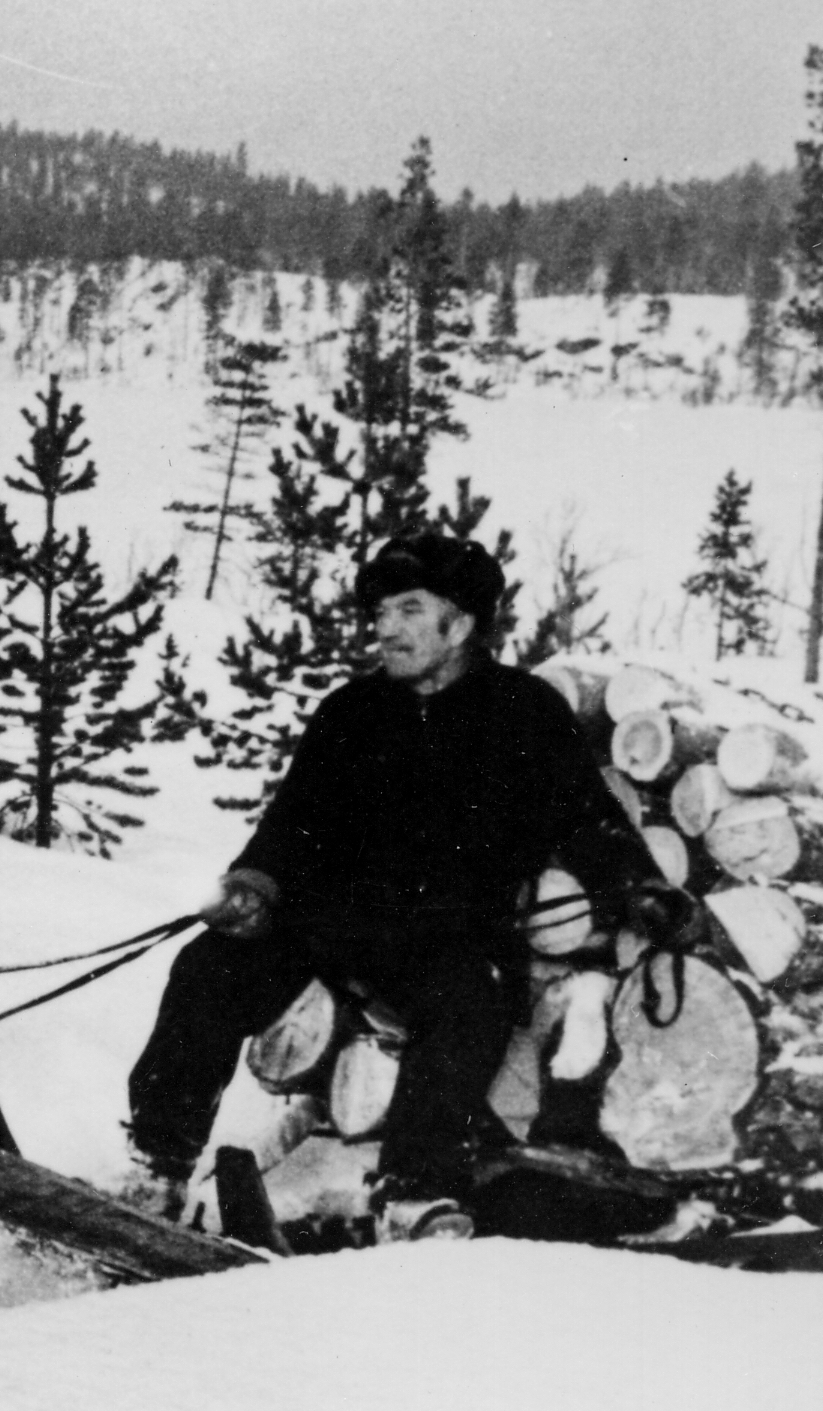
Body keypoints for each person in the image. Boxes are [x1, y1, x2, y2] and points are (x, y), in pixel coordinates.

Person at [123, 531, 675, 1239]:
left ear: (463, 622)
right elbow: (290, 827)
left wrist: (643, 891)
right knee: (210, 964)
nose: (385, 627)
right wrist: (254, 887)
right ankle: (157, 1168)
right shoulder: (350, 712)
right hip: (330, 932)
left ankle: (413, 1195)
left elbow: (589, 824)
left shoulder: (524, 712)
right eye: (381, 612)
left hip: (450, 940)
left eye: (409, 609)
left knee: (466, 1000)